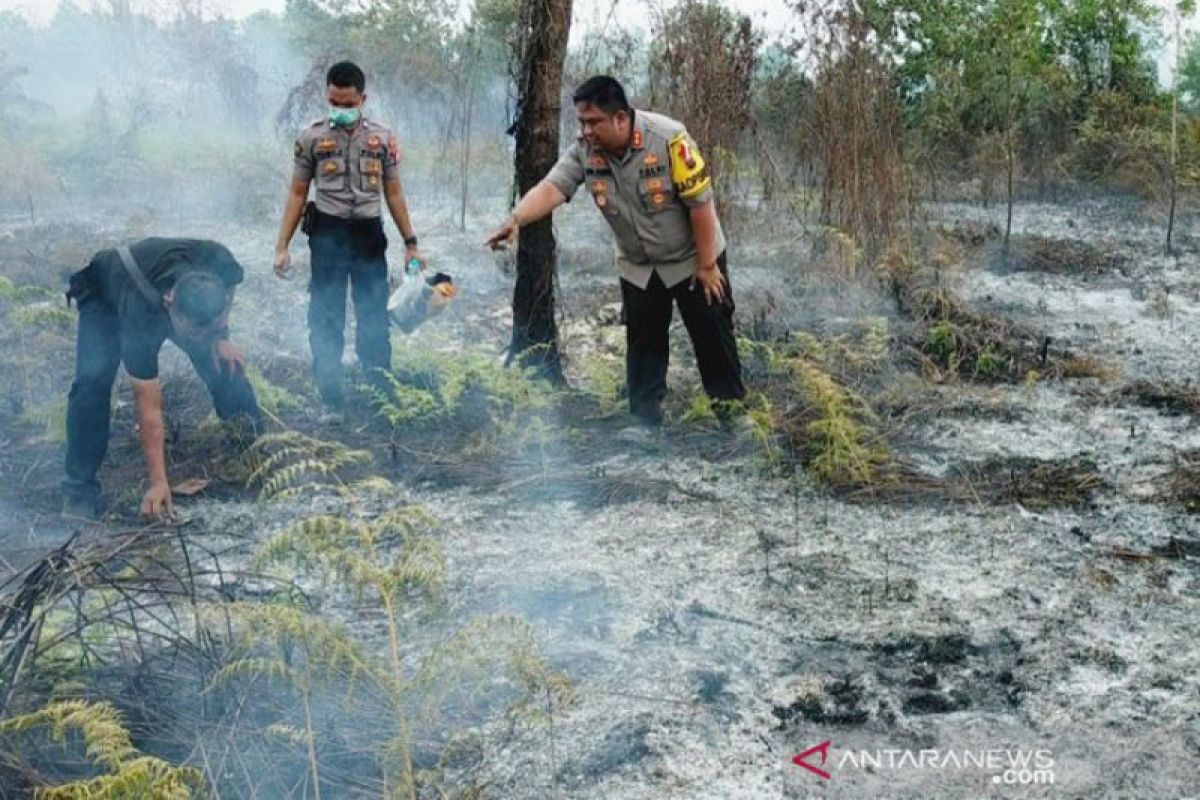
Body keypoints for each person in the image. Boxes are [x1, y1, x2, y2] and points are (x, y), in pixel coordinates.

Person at [486, 75, 745, 428]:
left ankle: (732, 416)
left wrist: (708, 264)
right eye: (582, 122)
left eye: (594, 122)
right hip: (639, 265)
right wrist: (516, 218)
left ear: (621, 118)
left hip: (693, 258)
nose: (586, 130)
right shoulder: (584, 151)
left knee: (711, 335)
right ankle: (645, 423)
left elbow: (701, 204)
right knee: (643, 344)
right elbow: (553, 187)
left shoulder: (668, 139)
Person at [62, 238, 261, 520]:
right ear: (170, 305)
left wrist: (221, 338)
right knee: (91, 384)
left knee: (224, 365)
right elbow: (149, 407)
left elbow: (229, 292)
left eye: (209, 329)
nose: (199, 340)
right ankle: (78, 493)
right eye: (193, 334)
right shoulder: (139, 315)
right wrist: (159, 482)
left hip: (180, 300)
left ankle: (253, 452)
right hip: (106, 295)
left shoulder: (219, 261)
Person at [273, 60, 424, 421]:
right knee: (326, 317)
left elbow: (394, 192)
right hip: (327, 234)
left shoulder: (383, 139)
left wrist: (411, 242)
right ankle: (331, 398)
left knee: (373, 315)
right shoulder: (310, 138)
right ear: (327, 97)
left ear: (363, 98)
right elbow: (297, 193)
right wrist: (282, 246)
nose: (340, 111)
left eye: (348, 104)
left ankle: (380, 393)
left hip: (368, 235)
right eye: (334, 103)